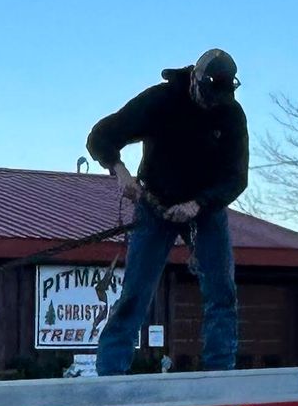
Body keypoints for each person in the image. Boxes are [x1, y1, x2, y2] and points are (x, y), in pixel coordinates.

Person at [84, 49, 248, 374]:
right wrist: (120, 171)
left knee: (221, 292)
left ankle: (220, 372)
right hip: (156, 204)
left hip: (206, 208)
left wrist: (198, 204)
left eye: (218, 97)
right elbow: (101, 136)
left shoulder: (230, 114)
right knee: (135, 292)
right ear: (195, 80)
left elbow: (237, 177)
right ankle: (110, 374)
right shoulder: (160, 101)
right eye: (206, 94)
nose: (211, 103)